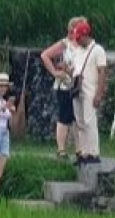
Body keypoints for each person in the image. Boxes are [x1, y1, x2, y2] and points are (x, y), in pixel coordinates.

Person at [57, 18, 106, 165]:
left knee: (90, 121)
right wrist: (66, 69)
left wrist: (99, 93)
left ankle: (94, 152)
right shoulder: (79, 51)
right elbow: (75, 69)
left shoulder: (97, 50)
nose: (77, 41)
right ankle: (83, 152)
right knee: (80, 122)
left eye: (79, 38)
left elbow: (102, 72)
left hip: (90, 90)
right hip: (78, 90)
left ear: (85, 35)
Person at [39, 21, 81, 160]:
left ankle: (79, 148)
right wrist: (55, 72)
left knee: (77, 117)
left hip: (79, 84)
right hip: (65, 84)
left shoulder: (84, 44)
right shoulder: (65, 43)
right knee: (64, 116)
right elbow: (45, 55)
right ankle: (61, 149)